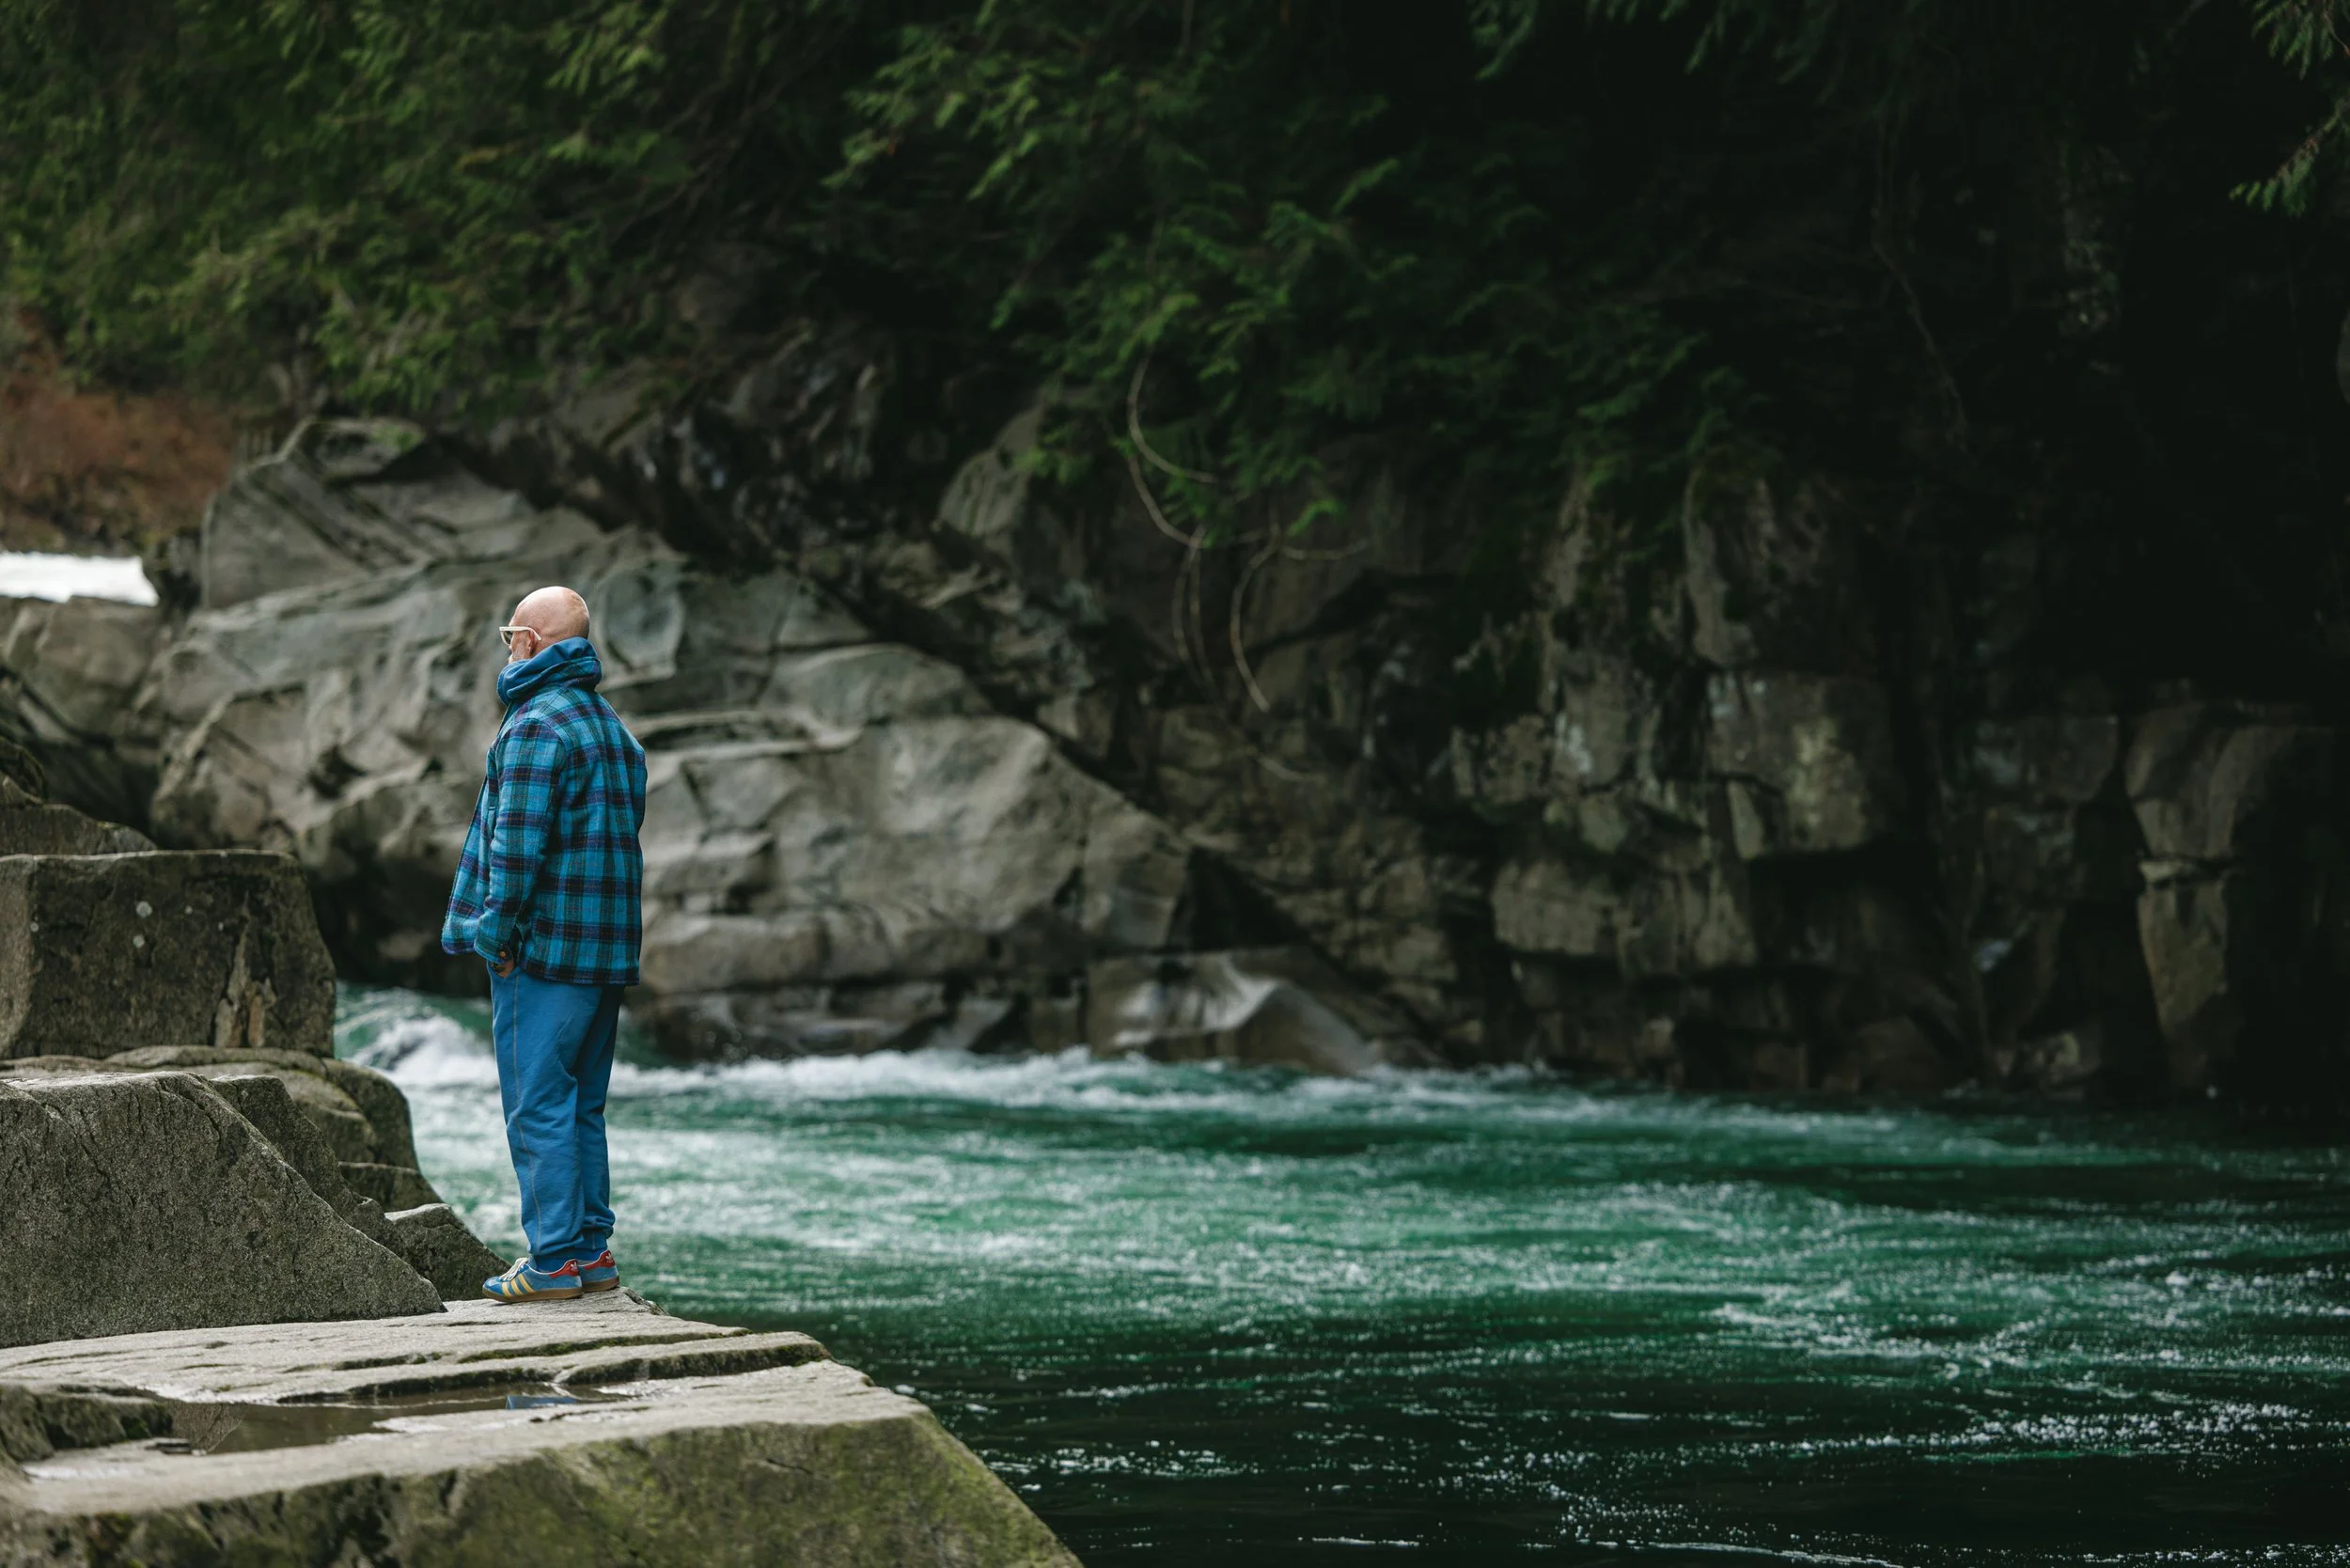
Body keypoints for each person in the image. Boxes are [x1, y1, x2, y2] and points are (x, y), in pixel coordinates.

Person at [440, 586, 648, 1303]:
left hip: (544, 952)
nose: (508, 648)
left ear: (530, 642)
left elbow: (516, 850)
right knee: (581, 1103)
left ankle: (554, 1258)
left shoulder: (533, 726)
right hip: (605, 955)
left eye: (510, 636)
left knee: (536, 1104)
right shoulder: (611, 729)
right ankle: (591, 1253)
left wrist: (495, 936)